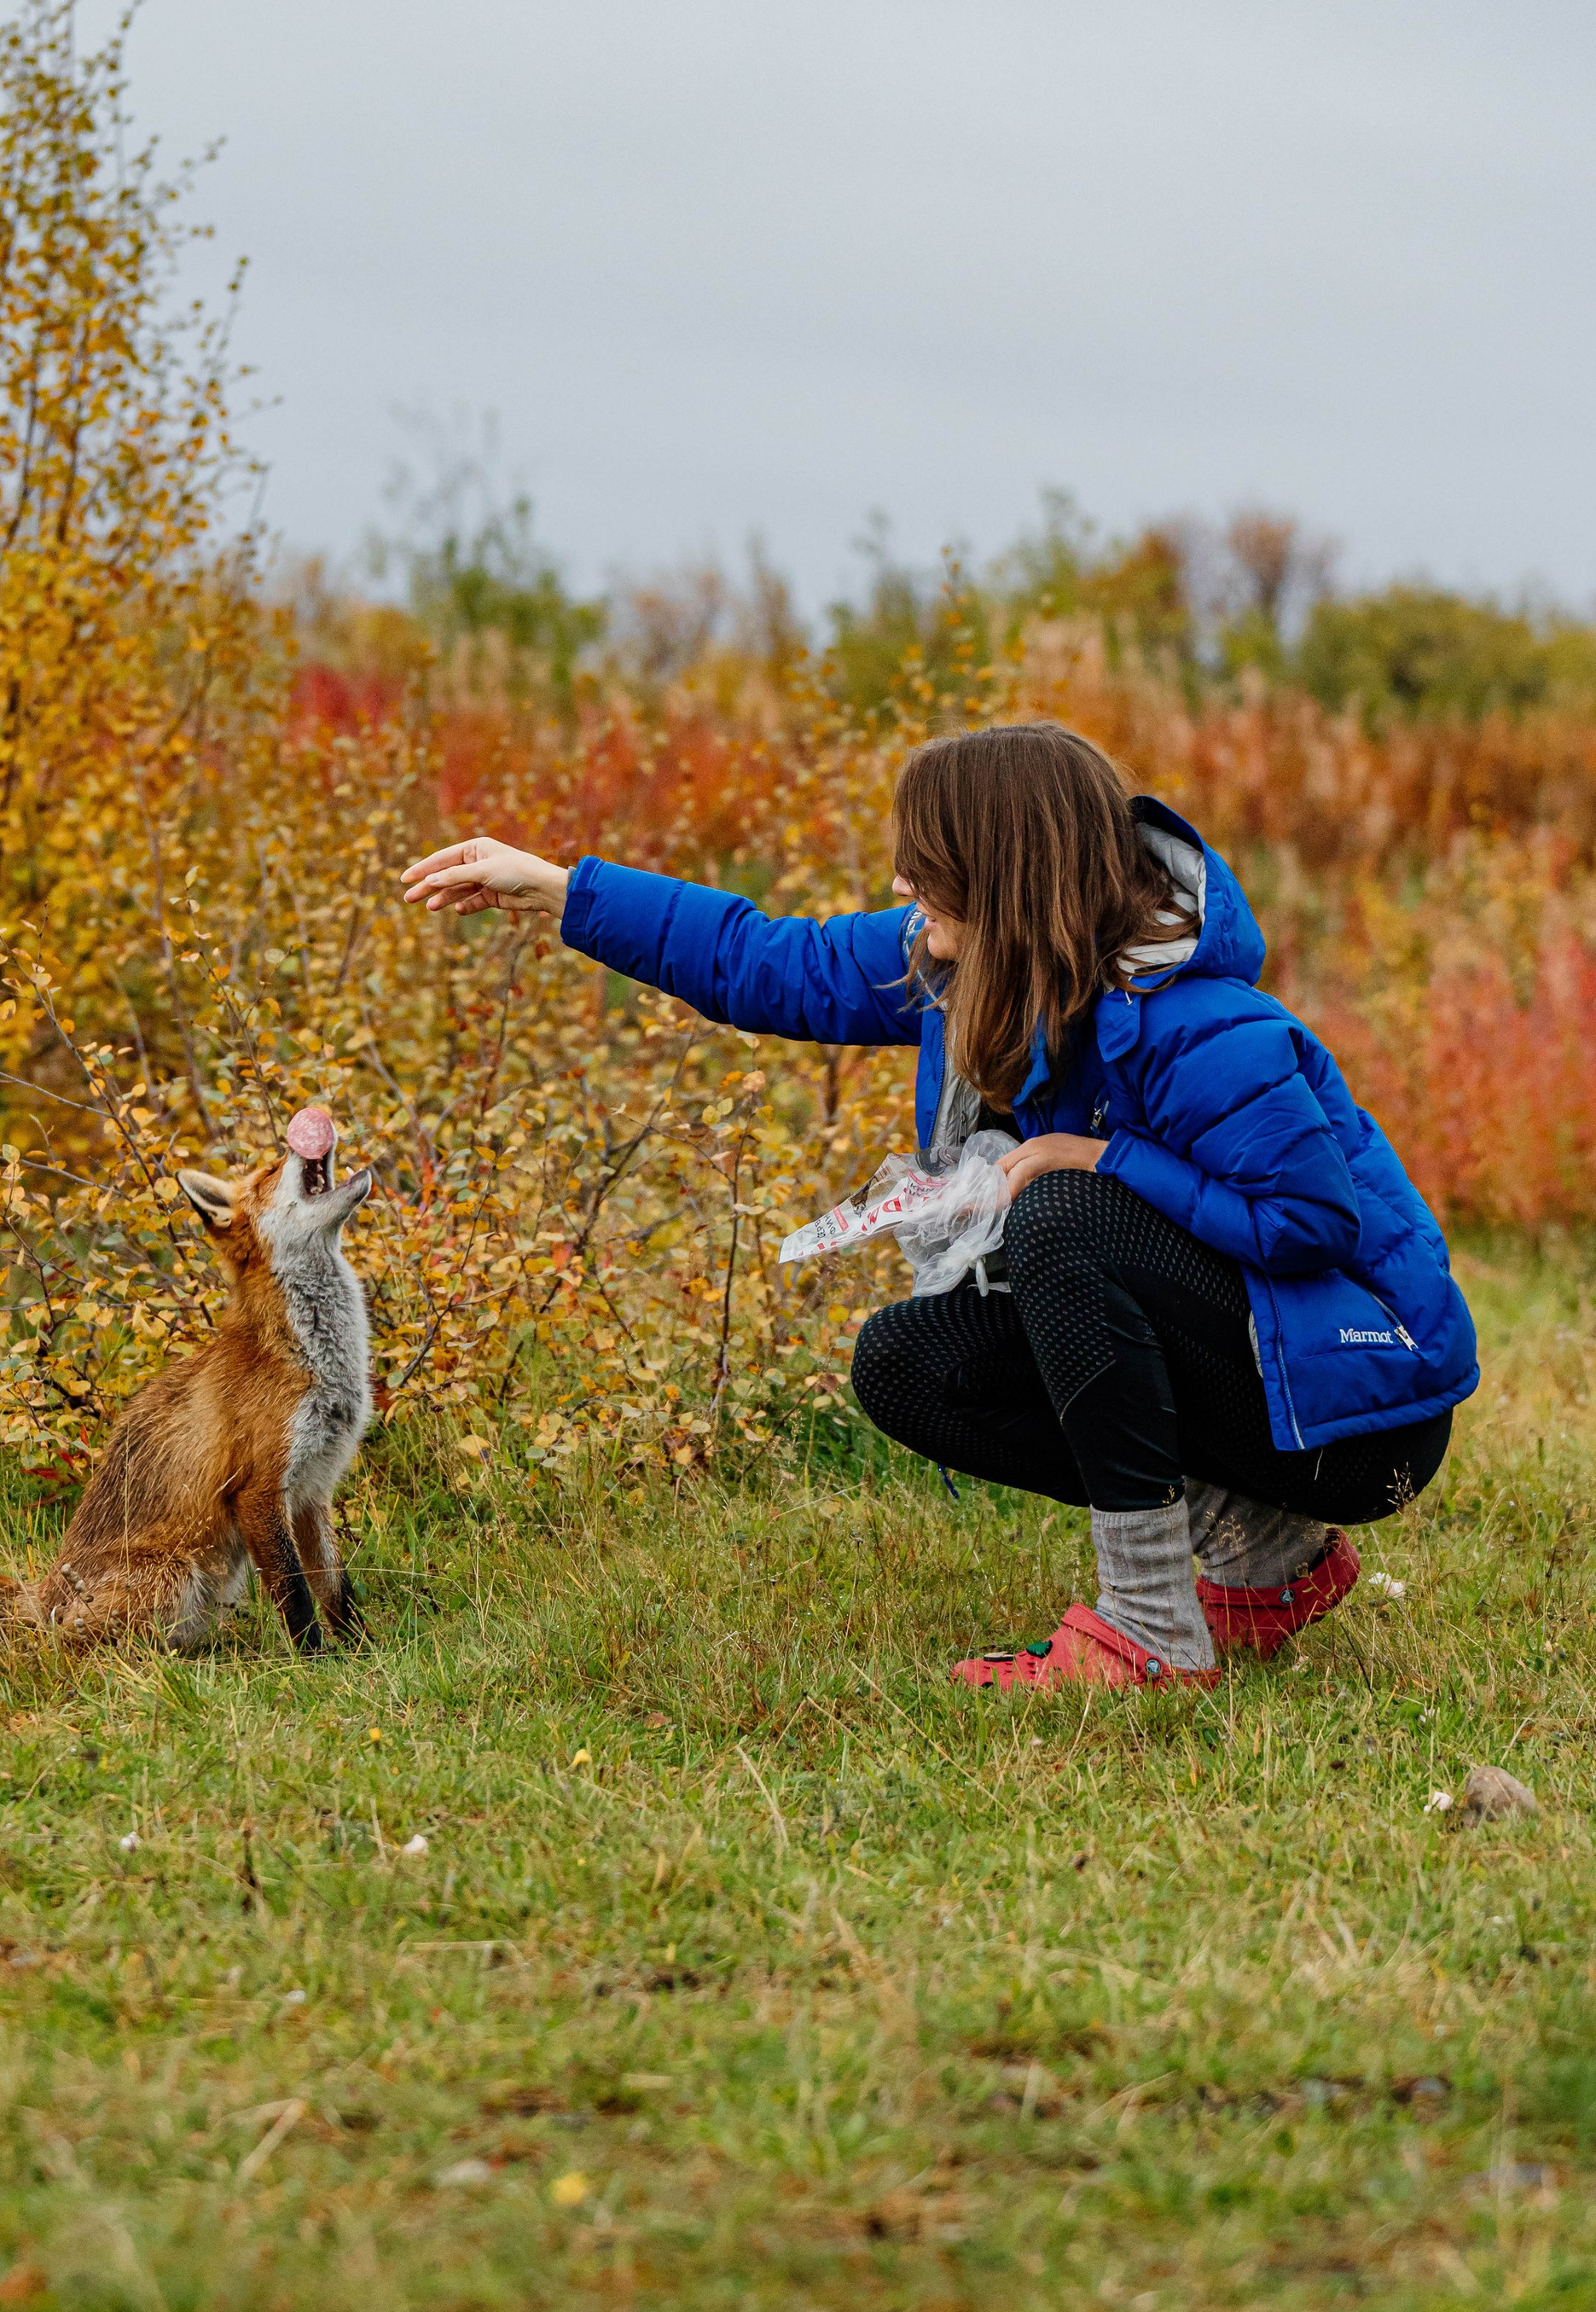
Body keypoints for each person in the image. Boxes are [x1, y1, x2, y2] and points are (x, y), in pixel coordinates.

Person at [401, 721, 1477, 1690]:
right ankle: (1265, 1557)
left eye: (931, 865)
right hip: (1261, 1386)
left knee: (1063, 1214)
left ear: (1004, 879)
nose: (906, 882)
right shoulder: (957, 962)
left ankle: (1151, 1628)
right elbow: (761, 959)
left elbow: (1310, 1226)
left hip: (1356, 1413)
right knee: (911, 1363)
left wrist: (1094, 1157)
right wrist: (559, 888)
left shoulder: (1198, 1021)